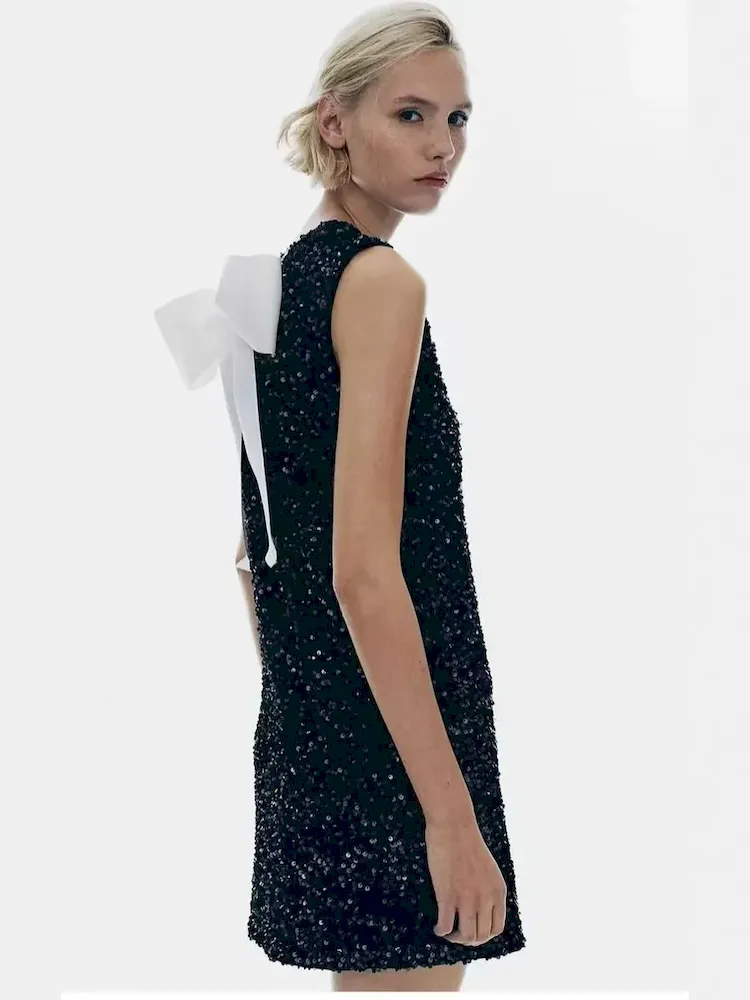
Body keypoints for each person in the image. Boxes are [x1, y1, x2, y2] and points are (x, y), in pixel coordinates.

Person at [174, 1, 527, 992]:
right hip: (404, 745)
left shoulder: (272, 289)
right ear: (336, 121)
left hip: (320, 725)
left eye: (457, 119)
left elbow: (255, 556)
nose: (442, 145)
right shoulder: (379, 284)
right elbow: (363, 572)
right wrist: (447, 814)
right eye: (410, 114)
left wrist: (315, 721)